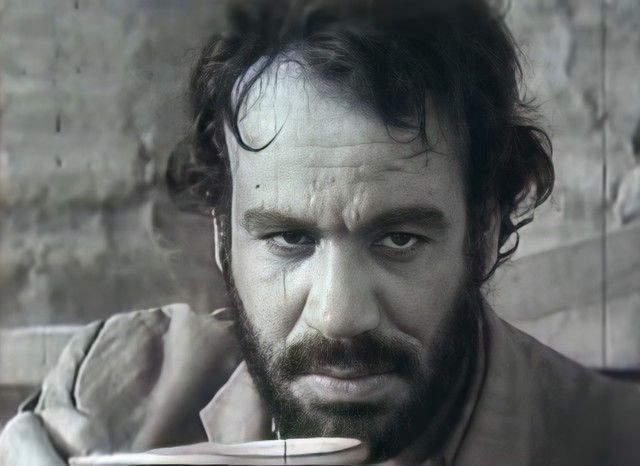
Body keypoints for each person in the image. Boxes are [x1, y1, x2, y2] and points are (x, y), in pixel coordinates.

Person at [1, 0, 639, 464]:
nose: (338, 316)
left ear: (486, 233)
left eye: (399, 239)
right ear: (222, 237)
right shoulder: (111, 394)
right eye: (289, 239)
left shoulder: (616, 441)